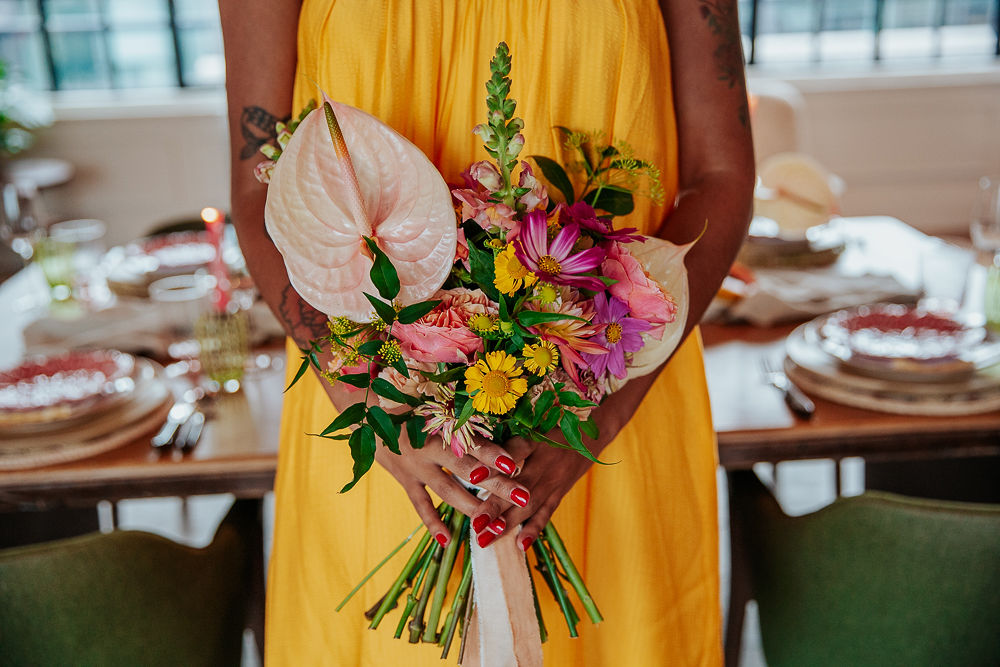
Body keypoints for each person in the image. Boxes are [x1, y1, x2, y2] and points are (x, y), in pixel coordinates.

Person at [220, 1, 753, 664]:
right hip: (384, 432)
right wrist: (371, 405)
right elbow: (255, 188)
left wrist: (596, 415)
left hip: (609, 416)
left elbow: (722, 177)